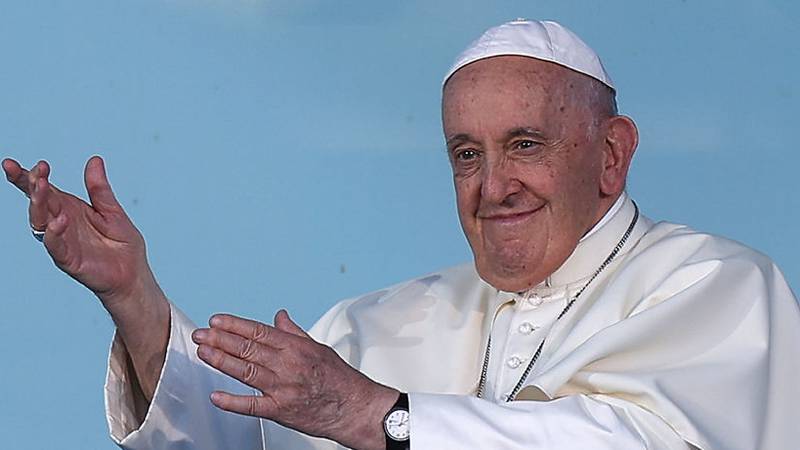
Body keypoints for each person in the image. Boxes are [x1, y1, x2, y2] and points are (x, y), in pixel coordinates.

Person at [4, 19, 798, 450]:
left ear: (613, 155)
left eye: (525, 145)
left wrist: (379, 416)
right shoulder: (374, 325)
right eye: (466, 155)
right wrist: (134, 300)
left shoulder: (717, 287)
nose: (493, 187)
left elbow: (633, 442)